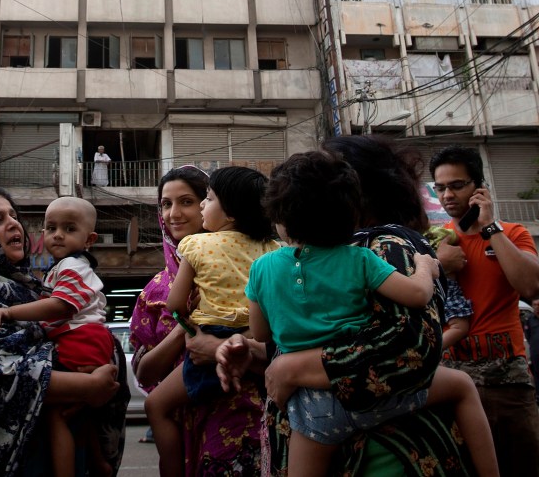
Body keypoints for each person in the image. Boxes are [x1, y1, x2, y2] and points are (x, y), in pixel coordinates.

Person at [217, 136, 475, 476]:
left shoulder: (383, 244)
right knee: (462, 387)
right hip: (332, 424)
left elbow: (410, 345)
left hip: (380, 451)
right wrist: (253, 352)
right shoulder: (354, 256)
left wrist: (290, 367)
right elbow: (291, 338)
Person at [0, 188, 128, 476]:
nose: (14, 224)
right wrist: (87, 387)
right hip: (5, 458)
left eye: (13, 215)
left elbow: (72, 327)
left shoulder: (28, 287)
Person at [130, 165, 266, 475]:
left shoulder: (256, 261)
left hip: (245, 421)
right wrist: (186, 329)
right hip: (183, 426)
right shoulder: (154, 291)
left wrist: (217, 343)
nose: (173, 213)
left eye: (188, 201)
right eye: (166, 204)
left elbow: (282, 343)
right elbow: (146, 372)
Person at [0, 196, 114, 477]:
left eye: (69, 229)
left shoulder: (72, 266)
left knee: (55, 414)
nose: (57, 235)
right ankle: (98, 459)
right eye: (51, 227)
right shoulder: (61, 267)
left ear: (89, 239)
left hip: (80, 339)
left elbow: (60, 306)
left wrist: (9, 313)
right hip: (83, 339)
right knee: (75, 411)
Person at [430, 145, 539, 476]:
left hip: (508, 380)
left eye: (457, 185)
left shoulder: (512, 234)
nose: (448, 194)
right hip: (453, 378)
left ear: (479, 188)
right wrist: (437, 260)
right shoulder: (436, 242)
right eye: (440, 187)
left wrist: (491, 228)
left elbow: (531, 286)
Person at [425, 226, 473, 349]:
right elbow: (454, 236)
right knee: (460, 327)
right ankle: (433, 352)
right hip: (448, 286)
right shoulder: (439, 232)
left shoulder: (410, 241)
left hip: (427, 286)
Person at [525, 298, 539, 402]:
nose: (537, 306)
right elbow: (528, 335)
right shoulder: (529, 319)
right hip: (536, 351)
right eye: (535, 304)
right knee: (537, 373)